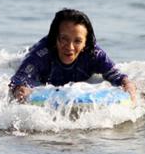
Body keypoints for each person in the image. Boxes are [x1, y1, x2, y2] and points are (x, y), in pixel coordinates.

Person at [9, 8, 137, 103]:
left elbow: (117, 76)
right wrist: (20, 90)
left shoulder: (94, 54)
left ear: (85, 43)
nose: (70, 47)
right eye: (64, 39)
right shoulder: (41, 55)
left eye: (77, 41)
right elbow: (19, 79)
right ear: (55, 39)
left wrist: (127, 85)